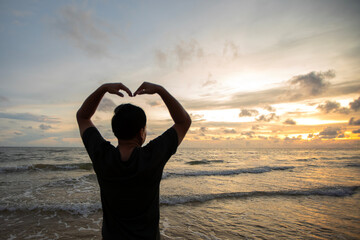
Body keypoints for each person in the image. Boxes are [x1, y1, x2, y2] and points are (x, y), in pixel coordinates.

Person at [76, 82, 191, 239]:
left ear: (115, 131)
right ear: (141, 132)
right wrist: (160, 90)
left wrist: (103, 88)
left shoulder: (102, 155)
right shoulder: (152, 156)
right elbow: (184, 122)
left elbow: (82, 117)